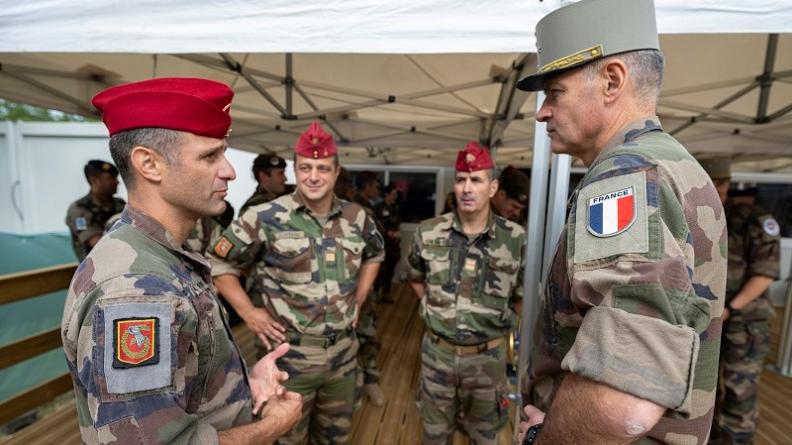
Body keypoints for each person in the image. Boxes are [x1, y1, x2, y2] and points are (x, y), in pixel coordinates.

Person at [513, 0, 728, 443]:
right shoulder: (671, 163)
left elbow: (623, 401)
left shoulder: (626, 176)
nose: (542, 112)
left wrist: (544, 439)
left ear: (612, 81)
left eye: (555, 92)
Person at [61, 77, 303, 445]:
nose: (229, 171)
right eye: (210, 156)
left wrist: (239, 384)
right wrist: (273, 425)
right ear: (149, 164)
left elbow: (181, 381)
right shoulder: (136, 290)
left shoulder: (161, 253)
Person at [208, 121, 384, 445]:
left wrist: (358, 299)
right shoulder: (265, 216)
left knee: (336, 437)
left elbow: (375, 253)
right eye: (305, 167)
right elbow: (218, 262)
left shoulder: (356, 217)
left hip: (344, 353)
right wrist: (249, 313)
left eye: (322, 168)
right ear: (295, 168)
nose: (313, 176)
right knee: (287, 438)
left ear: (336, 171)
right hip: (289, 357)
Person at [406, 141, 525, 445]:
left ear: (493, 187)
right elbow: (415, 276)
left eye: (476, 180)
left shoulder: (515, 238)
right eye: (461, 179)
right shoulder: (429, 231)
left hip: (488, 360)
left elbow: (521, 297)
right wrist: (433, 306)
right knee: (434, 436)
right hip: (438, 355)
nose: (467, 188)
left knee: (484, 438)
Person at [700, 158, 780, 445]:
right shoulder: (693, 216)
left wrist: (730, 310)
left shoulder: (751, 218)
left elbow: (765, 273)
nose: (714, 189)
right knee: (703, 392)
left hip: (744, 322)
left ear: (726, 184)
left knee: (738, 392)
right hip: (703, 320)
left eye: (719, 183)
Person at [351, 170, 387, 406]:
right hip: (340, 292)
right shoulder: (354, 212)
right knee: (348, 340)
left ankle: (371, 380)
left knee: (367, 335)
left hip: (362, 286)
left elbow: (375, 252)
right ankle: (355, 385)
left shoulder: (364, 214)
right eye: (374, 185)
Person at [65, 160, 126, 261]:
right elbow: (98, 243)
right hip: (96, 270)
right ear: (94, 180)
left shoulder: (120, 204)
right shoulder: (79, 209)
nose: (117, 182)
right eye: (111, 178)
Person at [374, 184, 402, 303]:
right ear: (386, 194)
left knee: (390, 270)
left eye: (396, 194)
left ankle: (386, 294)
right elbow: (375, 225)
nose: (395, 196)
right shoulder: (378, 208)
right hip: (381, 244)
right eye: (393, 194)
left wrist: (397, 233)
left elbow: (398, 223)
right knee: (379, 271)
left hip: (393, 245)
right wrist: (387, 232)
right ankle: (374, 294)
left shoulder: (395, 208)